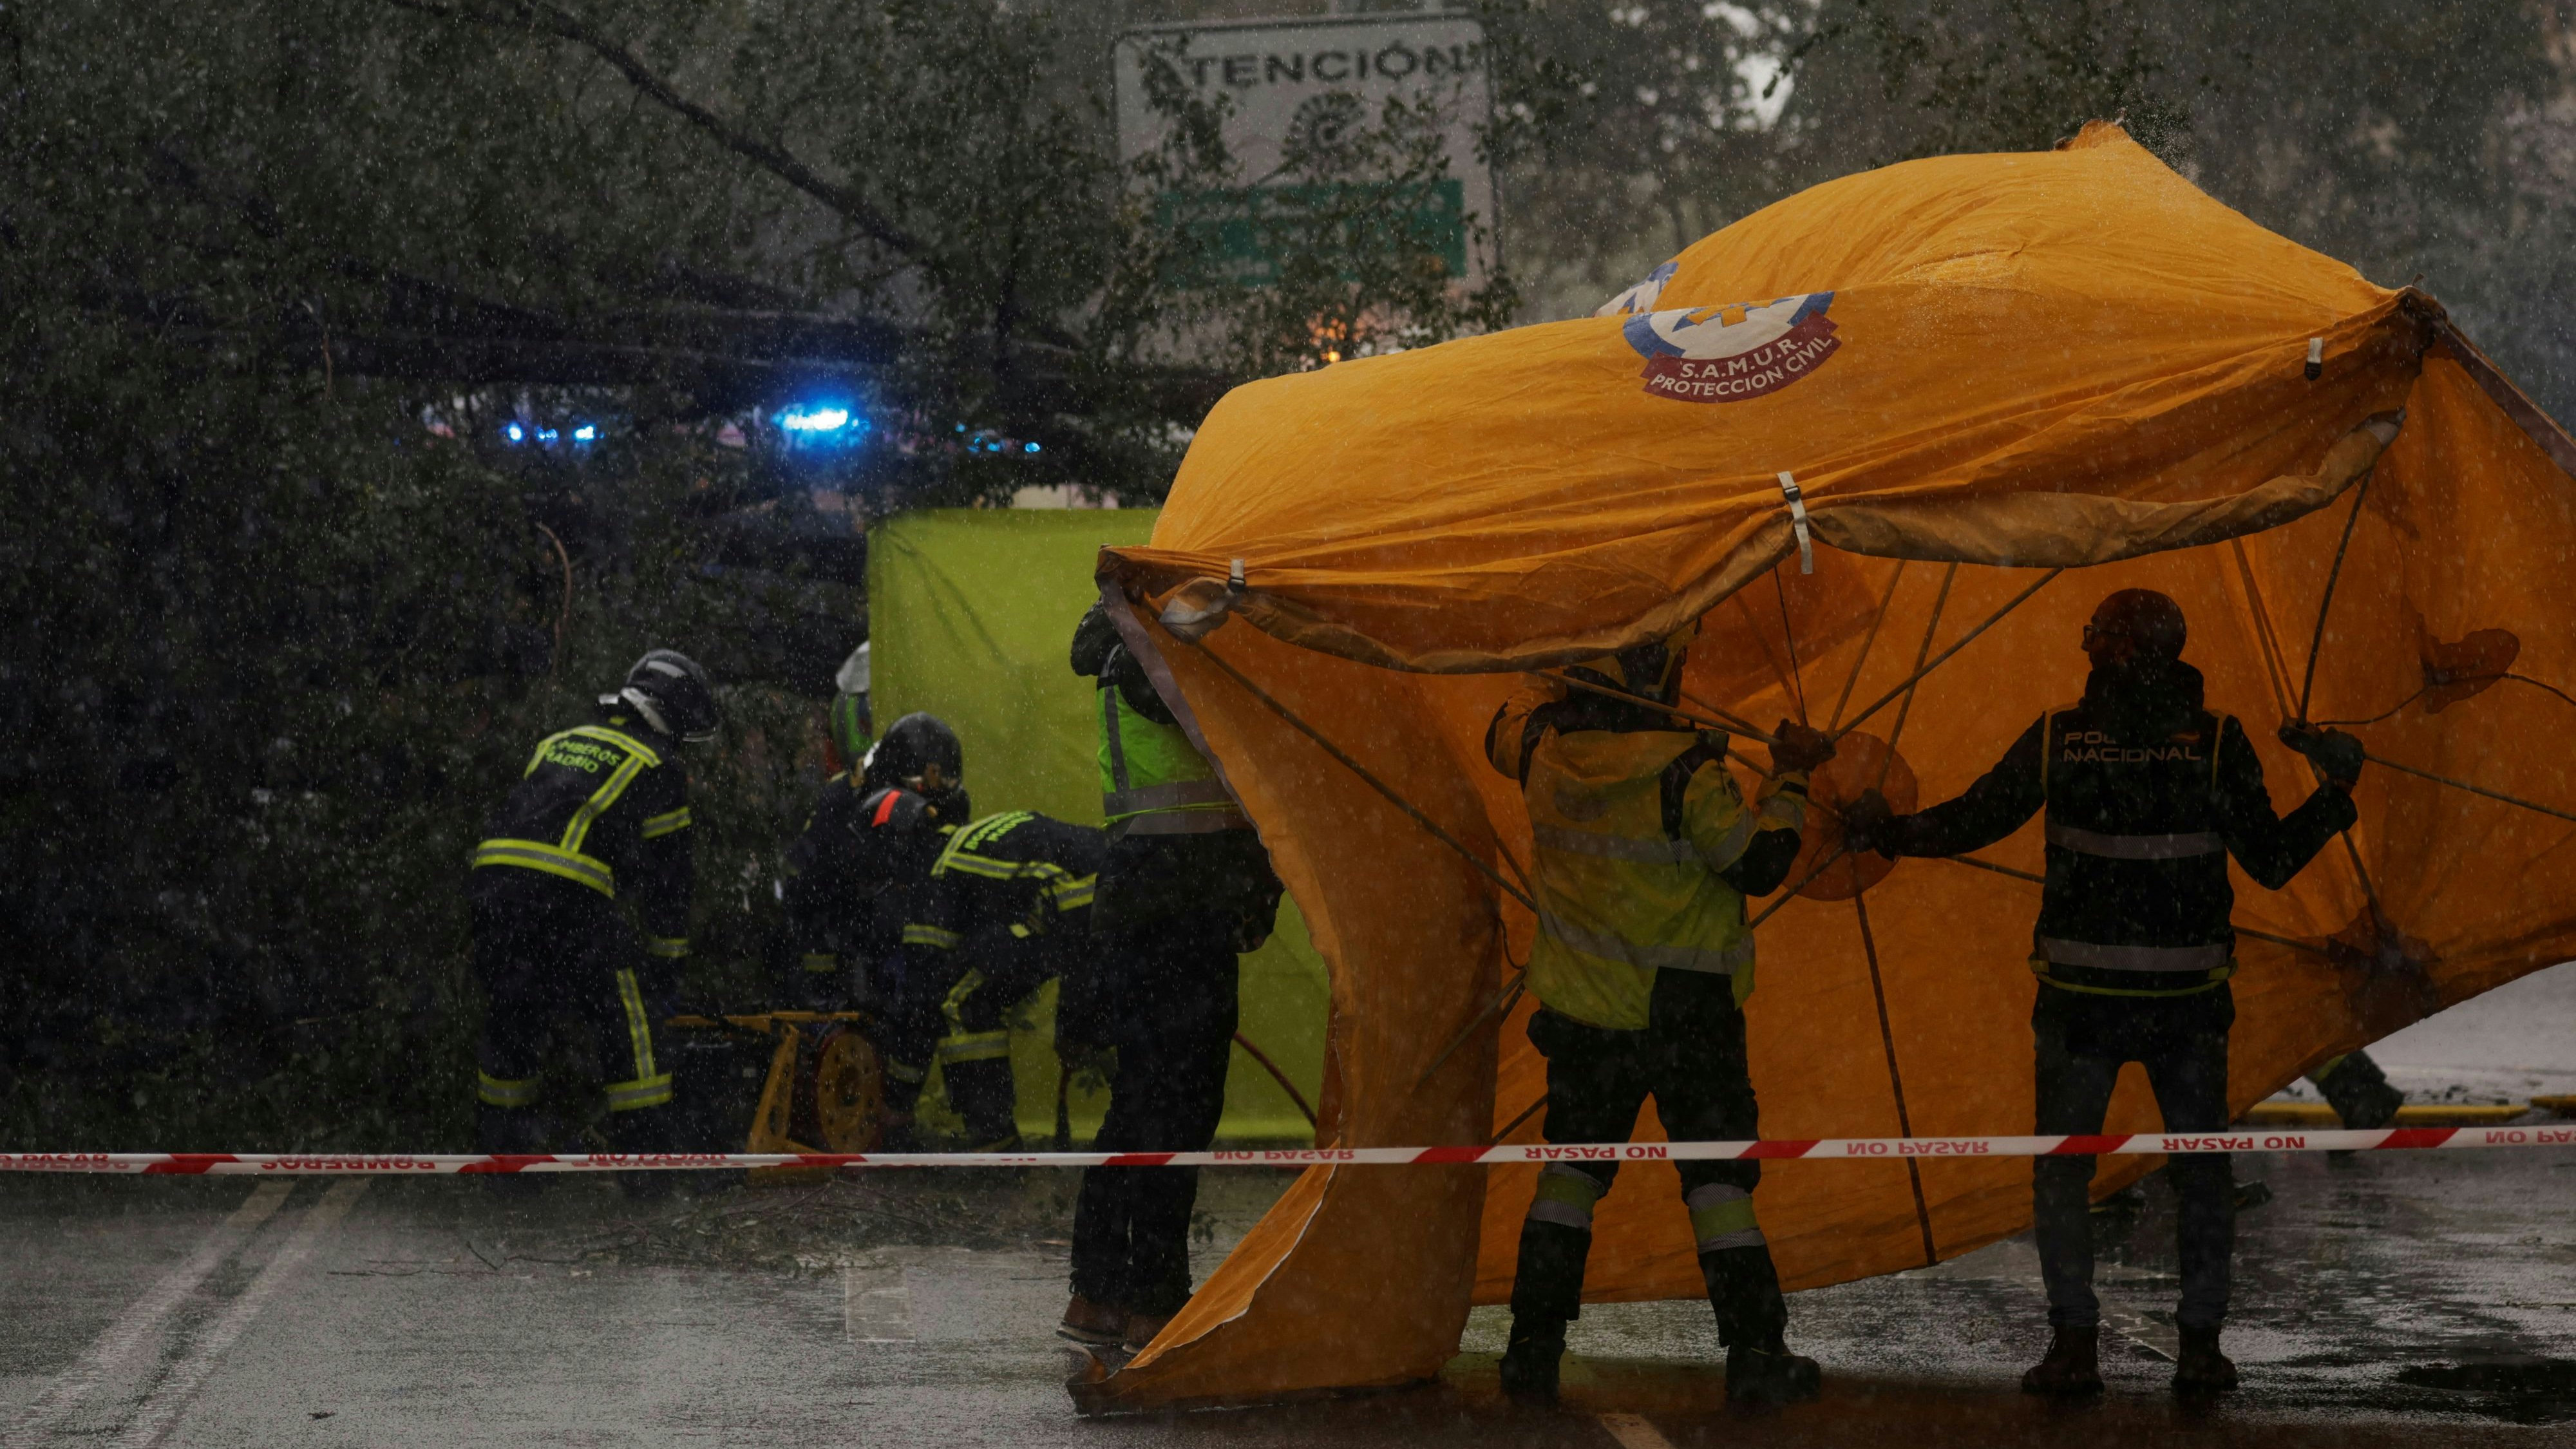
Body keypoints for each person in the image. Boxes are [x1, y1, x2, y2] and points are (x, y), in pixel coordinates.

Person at [1841, 589, 2364, 1397]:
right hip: (2187, 1008)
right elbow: (2269, 860)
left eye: (2095, 636)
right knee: (2200, 1174)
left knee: (2061, 1174)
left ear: (2116, 648)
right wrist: (2333, 796)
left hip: (2080, 1006)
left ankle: (2072, 1350)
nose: (2084, 647)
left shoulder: (2062, 738)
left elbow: (1975, 819)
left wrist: (1885, 831)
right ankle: (2198, 1352)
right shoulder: (2218, 743)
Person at [1482, 619, 1837, 1407]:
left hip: (1584, 1016)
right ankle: (1753, 1354)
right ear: (1654, 678)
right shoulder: (1687, 772)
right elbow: (1761, 863)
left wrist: (1558, 669)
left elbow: (1502, 723)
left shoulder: (1541, 750)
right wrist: (1788, 777)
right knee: (1718, 1185)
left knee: (1570, 1178)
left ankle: (1531, 1349)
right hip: (1689, 1020)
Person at [1060, 600, 1283, 1360]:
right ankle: (1155, 1298)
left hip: (1140, 898)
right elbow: (1232, 750)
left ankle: (1098, 1291)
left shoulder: (1124, 653)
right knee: (1180, 1104)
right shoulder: (1152, 660)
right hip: (1183, 902)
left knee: (1140, 1099)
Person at [466, 650, 720, 1185]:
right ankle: (645, 1162)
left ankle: (504, 1158)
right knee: (627, 1017)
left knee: (514, 1015)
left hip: (491, 887)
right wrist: (666, 962)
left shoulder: (558, 741)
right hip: (562, 896)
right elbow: (669, 882)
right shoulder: (657, 765)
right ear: (672, 713)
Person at [781, 712, 972, 1137]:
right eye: (931, 780)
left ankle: (885, 1121)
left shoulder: (891, 798)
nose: (936, 795)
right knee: (832, 1026)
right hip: (830, 931)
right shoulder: (844, 799)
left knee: (900, 1015)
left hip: (877, 931)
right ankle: (833, 1125)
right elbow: (812, 882)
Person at [884, 808, 1106, 1150]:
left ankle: (995, 1143)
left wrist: (897, 1103)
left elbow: (923, 989)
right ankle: (1147, 1140)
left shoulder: (935, 873)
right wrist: (1073, 1022)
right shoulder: (973, 839)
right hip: (1124, 883)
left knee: (960, 1002)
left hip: (1074, 907)